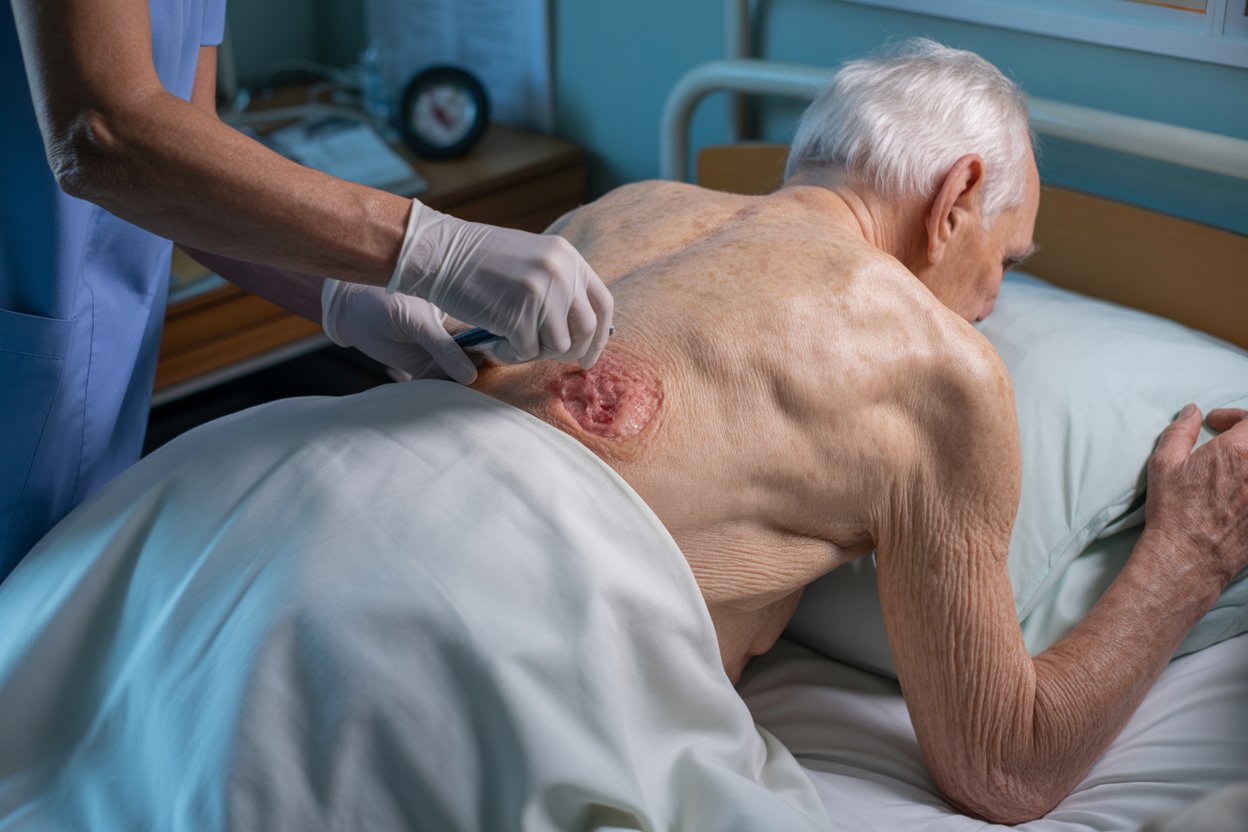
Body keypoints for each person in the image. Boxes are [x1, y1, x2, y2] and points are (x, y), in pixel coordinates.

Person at [466, 39, 1248, 822]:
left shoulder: (614, 210)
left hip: (364, 485)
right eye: (1006, 260)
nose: (992, 306)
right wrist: (1192, 553)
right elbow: (1007, 769)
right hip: (469, 649)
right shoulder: (937, 366)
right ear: (956, 201)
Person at [0, 1, 612, 579]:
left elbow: (178, 166)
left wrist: (335, 291)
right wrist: (428, 248)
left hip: (92, 384)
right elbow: (101, 137)